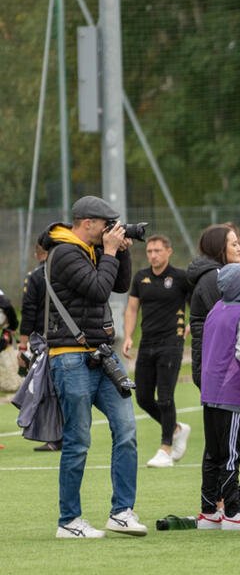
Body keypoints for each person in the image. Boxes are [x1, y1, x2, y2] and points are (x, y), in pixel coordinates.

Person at [42, 196, 144, 538]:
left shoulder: (90, 248)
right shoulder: (66, 252)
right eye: (106, 225)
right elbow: (100, 291)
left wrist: (123, 250)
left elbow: (119, 284)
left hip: (101, 354)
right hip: (70, 356)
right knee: (78, 439)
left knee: (127, 429)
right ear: (88, 223)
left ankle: (122, 512)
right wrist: (112, 252)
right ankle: (69, 520)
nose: (109, 231)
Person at [121, 234, 193, 468]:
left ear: (168, 251)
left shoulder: (181, 278)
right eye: (150, 251)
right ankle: (176, 429)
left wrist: (191, 326)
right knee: (142, 397)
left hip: (171, 344)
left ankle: (165, 448)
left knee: (165, 397)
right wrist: (129, 336)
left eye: (157, 250)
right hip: (147, 344)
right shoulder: (141, 278)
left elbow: (198, 304)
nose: (153, 255)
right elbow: (132, 309)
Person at [197, 263, 240, 530]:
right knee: (232, 454)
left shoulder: (214, 310)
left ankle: (208, 511)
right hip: (232, 391)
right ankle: (232, 512)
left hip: (209, 391)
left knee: (213, 453)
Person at [188, 224, 240, 389]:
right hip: (216, 366)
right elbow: (228, 319)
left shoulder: (219, 273)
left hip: (217, 364)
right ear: (220, 248)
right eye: (234, 244)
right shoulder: (214, 277)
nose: (239, 248)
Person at [20, 239, 62, 452]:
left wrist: (23, 342)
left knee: (44, 389)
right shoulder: (65, 272)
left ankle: (53, 436)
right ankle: (64, 435)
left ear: (38, 255)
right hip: (65, 338)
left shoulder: (36, 276)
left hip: (42, 341)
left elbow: (28, 309)